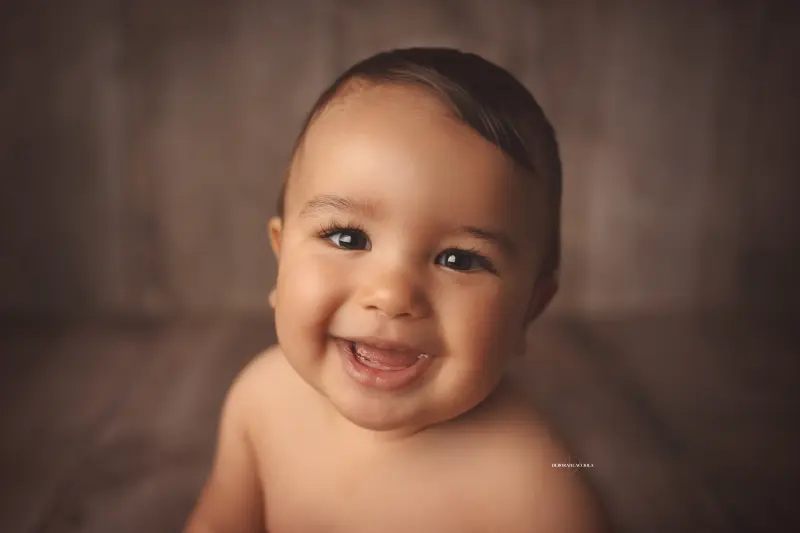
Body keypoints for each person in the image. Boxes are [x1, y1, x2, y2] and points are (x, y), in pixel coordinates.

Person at [184, 47, 612, 533]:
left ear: (528, 311)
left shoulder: (537, 492)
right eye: (348, 238)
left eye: (459, 259)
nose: (390, 295)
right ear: (282, 258)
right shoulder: (260, 399)